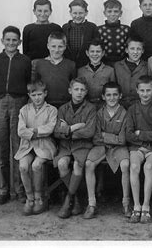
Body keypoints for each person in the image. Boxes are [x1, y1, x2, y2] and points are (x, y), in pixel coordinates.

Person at [0, 25, 31, 205]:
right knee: (2, 148)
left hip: (18, 102)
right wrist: (0, 94)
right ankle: (3, 190)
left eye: (15, 40)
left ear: (19, 42)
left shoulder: (25, 61)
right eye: (8, 40)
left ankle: (19, 189)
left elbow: (28, 81)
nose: (11, 43)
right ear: (2, 41)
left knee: (18, 146)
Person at [83, 82, 130, 219]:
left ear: (120, 96)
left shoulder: (124, 113)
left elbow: (122, 140)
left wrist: (105, 135)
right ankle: (91, 203)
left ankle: (126, 203)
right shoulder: (99, 113)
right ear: (103, 96)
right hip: (101, 147)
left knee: (125, 165)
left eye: (115, 94)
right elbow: (96, 138)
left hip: (119, 148)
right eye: (108, 95)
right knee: (89, 164)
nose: (112, 98)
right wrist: (111, 137)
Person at [54, 77, 96, 219]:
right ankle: (75, 198)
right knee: (61, 164)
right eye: (76, 89)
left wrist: (67, 130)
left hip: (82, 145)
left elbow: (89, 131)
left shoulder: (90, 108)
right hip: (66, 146)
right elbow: (56, 131)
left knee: (78, 165)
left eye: (82, 90)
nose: (79, 93)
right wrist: (75, 127)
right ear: (70, 91)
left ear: (86, 92)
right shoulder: (63, 108)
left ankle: (68, 200)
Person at [125, 75, 152, 223]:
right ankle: (136, 205)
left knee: (148, 167)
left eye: (148, 90)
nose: (145, 93)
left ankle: (146, 207)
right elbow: (129, 135)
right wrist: (149, 134)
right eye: (142, 90)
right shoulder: (132, 109)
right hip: (137, 147)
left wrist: (140, 133)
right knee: (134, 166)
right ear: (137, 91)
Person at [15, 80, 57, 215]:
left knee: (36, 165)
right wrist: (37, 132)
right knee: (23, 166)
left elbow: (50, 128)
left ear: (45, 94)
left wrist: (32, 131)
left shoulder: (51, 110)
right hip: (27, 146)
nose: (37, 98)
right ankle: (30, 198)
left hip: (45, 145)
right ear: (29, 95)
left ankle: (39, 197)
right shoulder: (24, 110)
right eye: (34, 95)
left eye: (40, 94)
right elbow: (21, 131)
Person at [31, 31, 76, 109]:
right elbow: (34, 87)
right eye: (53, 46)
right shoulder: (38, 64)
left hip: (65, 105)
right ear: (48, 46)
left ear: (65, 46)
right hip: (45, 105)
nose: (56, 50)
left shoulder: (71, 65)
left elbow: (74, 85)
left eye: (60, 46)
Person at [62, 0, 100, 68]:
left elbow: (96, 45)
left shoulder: (92, 27)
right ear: (70, 13)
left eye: (81, 13)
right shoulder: (65, 27)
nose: (78, 16)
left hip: (86, 64)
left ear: (86, 13)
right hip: (68, 63)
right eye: (75, 13)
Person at [77, 39, 115, 108]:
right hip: (85, 106)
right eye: (92, 51)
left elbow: (113, 90)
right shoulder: (81, 71)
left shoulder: (110, 70)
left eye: (98, 51)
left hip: (105, 106)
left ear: (103, 53)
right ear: (87, 53)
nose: (95, 54)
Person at [114, 36, 148, 109]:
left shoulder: (147, 66)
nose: (135, 52)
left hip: (140, 105)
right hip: (120, 105)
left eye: (138, 49)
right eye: (132, 49)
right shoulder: (117, 66)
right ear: (126, 50)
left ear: (143, 51)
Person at [97, 0, 130, 66]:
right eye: (109, 11)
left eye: (116, 11)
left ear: (120, 13)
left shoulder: (126, 29)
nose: (112, 14)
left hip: (123, 64)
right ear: (104, 13)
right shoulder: (99, 30)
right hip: (104, 64)